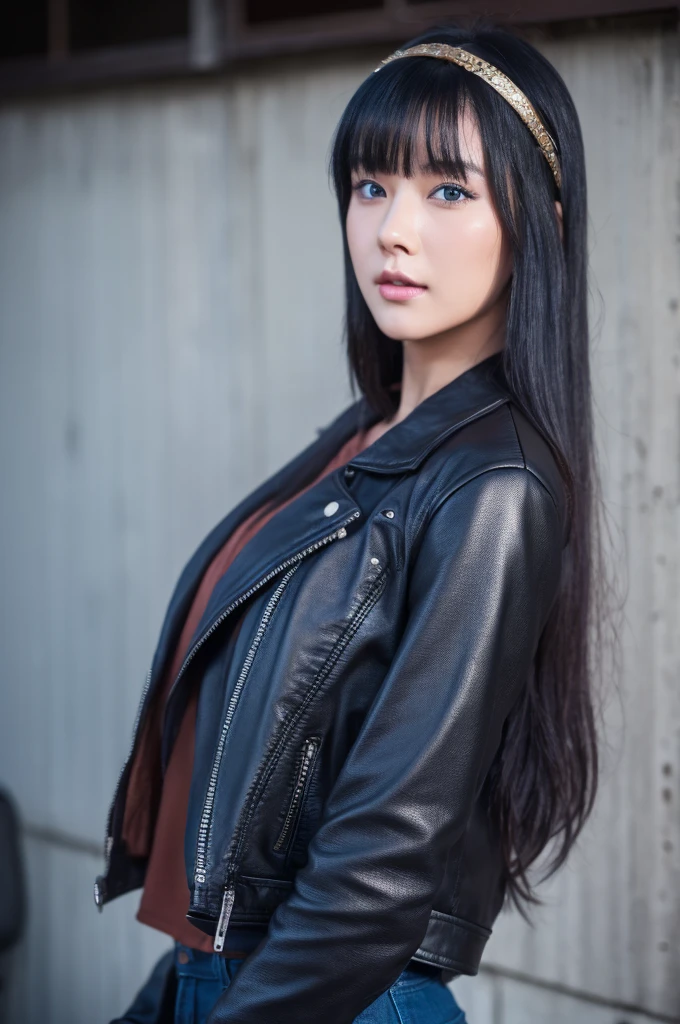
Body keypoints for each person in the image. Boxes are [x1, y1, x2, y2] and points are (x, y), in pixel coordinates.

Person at [98, 21, 607, 1024]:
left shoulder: (492, 487)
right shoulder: (366, 439)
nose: (392, 230)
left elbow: (377, 867)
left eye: (446, 190)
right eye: (371, 186)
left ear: (536, 219)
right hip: (224, 971)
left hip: (330, 998)